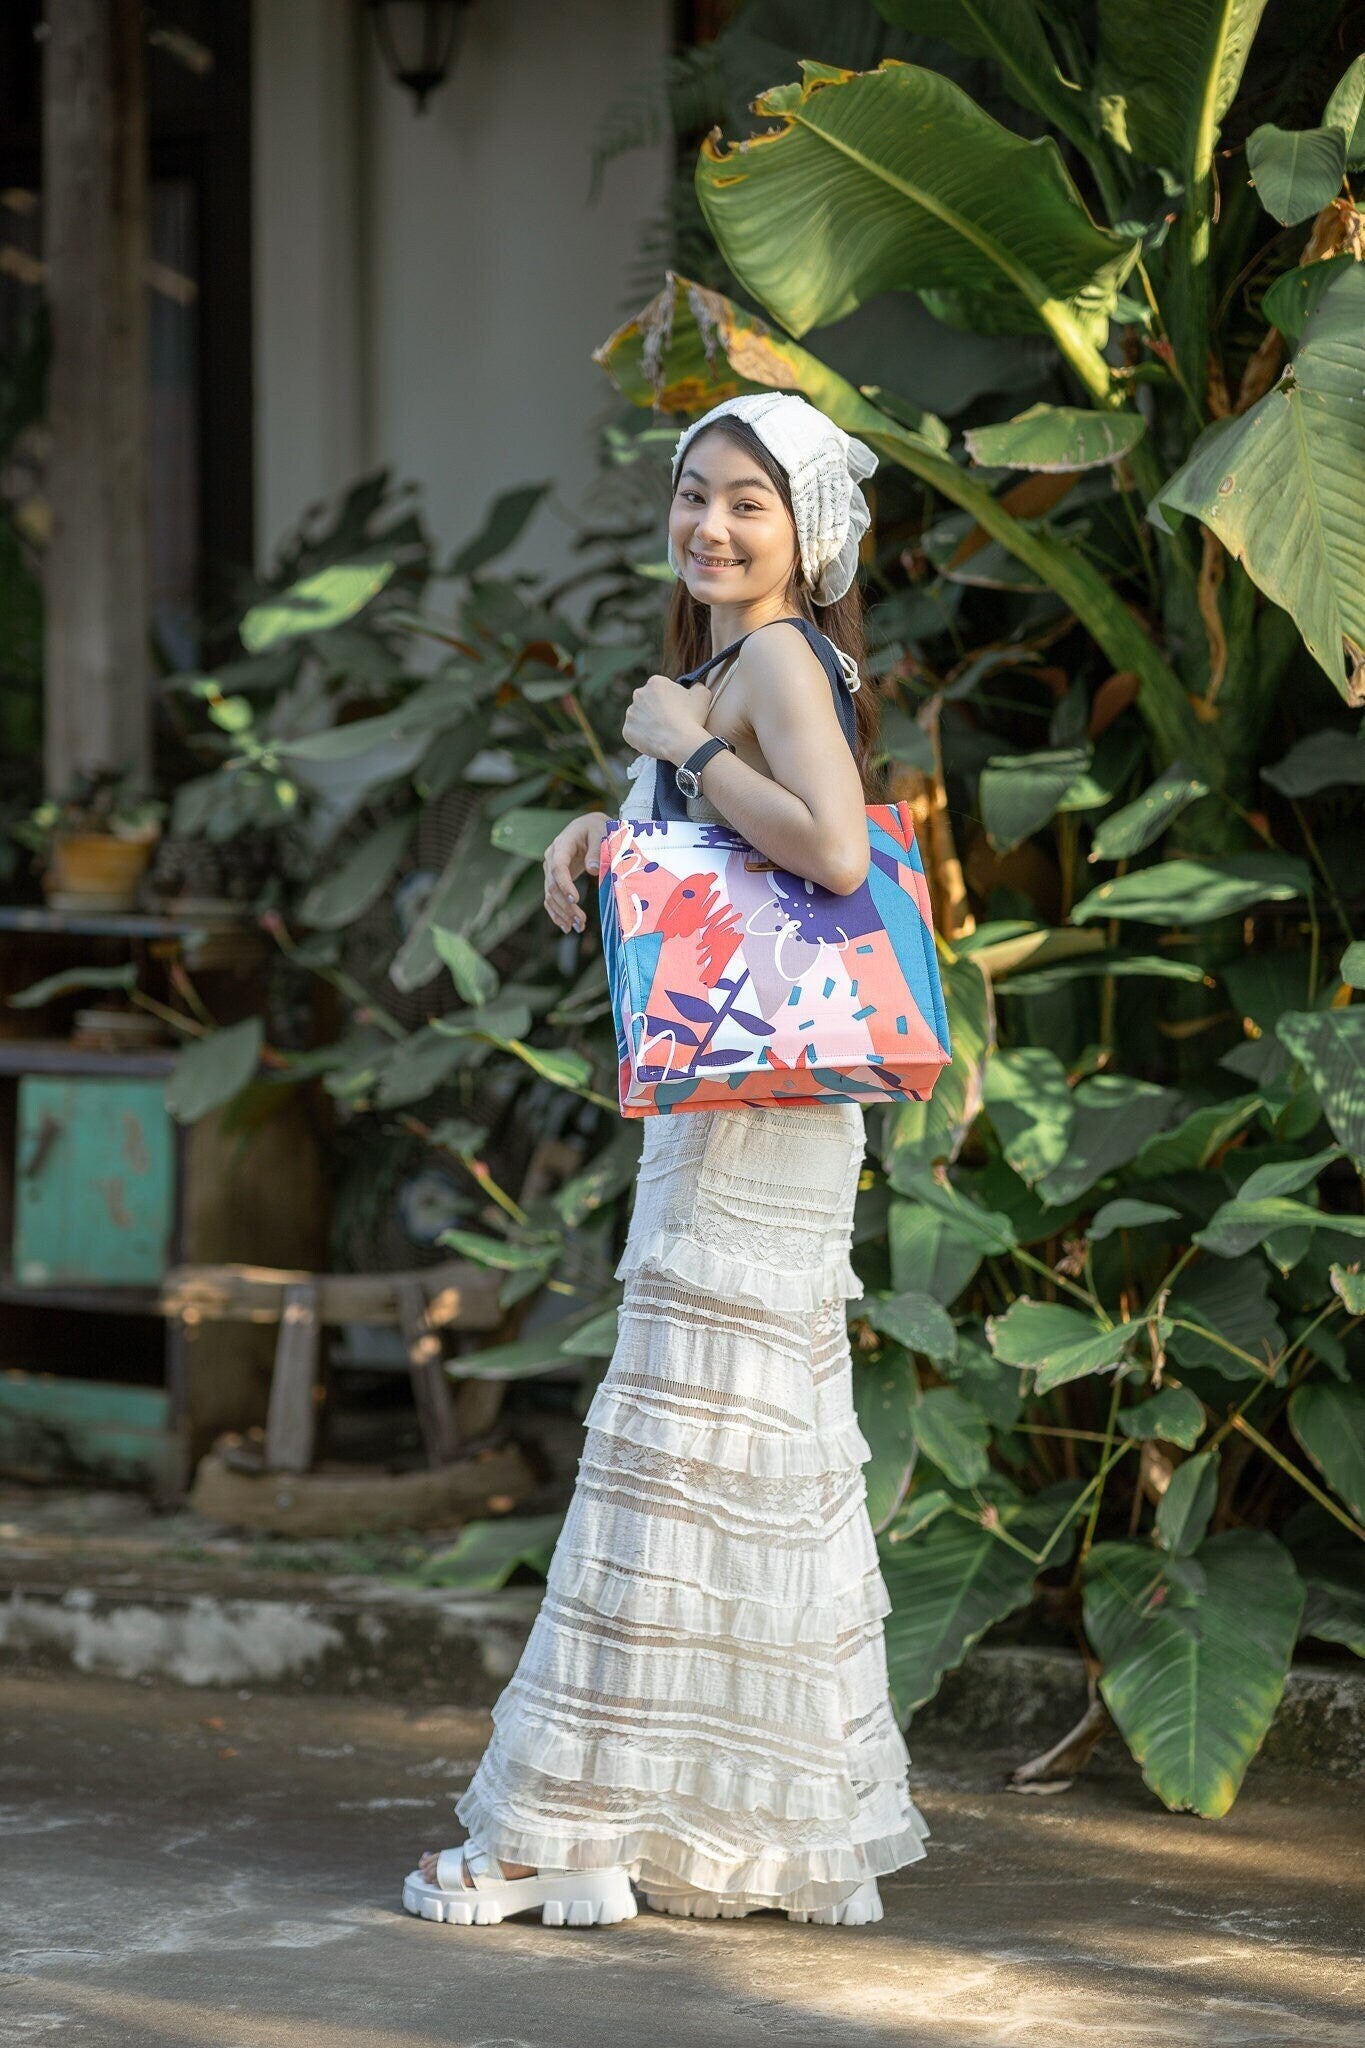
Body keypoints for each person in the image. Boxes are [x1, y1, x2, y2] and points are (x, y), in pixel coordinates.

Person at [401, 391, 932, 1930]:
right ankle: (672, 1828)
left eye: (747, 504)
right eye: (693, 495)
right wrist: (606, 817)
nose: (709, 524)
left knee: (682, 1453)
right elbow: (740, 835)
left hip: (749, 1125)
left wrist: (682, 750)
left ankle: (558, 1826)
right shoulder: (740, 668)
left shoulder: (765, 657)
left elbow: (829, 851)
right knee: (721, 1458)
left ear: (807, 530)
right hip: (744, 1111)